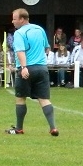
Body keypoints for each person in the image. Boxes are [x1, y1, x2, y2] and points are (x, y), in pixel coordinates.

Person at [7, 8, 58, 136]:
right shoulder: (39, 29)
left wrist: (24, 67)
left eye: (14, 19)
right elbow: (47, 48)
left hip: (27, 69)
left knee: (20, 98)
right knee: (44, 99)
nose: (13, 21)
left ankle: (19, 129)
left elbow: (20, 51)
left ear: (22, 19)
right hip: (42, 69)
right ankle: (53, 128)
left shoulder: (19, 33)